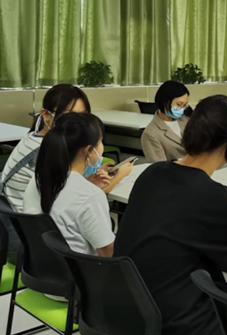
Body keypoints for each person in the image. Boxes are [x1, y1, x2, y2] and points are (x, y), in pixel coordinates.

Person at [114, 95, 227, 335]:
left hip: (129, 307)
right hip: (178, 321)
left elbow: (181, 205)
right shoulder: (214, 196)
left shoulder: (153, 172)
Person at [0, 85, 131, 263]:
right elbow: (108, 254)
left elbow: (66, 196)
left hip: (39, 259)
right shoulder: (44, 157)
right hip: (37, 253)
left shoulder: (39, 154)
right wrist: (118, 176)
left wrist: (86, 182)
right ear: (89, 149)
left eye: (82, 116)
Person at [23, 113, 115, 257]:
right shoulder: (90, 196)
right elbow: (108, 254)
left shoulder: (37, 180)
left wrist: (87, 185)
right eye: (101, 141)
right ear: (89, 151)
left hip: (41, 269)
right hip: (81, 275)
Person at [141, 81, 191, 162]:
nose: (182, 109)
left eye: (185, 105)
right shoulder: (151, 134)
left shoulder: (186, 120)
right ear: (165, 102)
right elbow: (160, 167)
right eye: (179, 104)